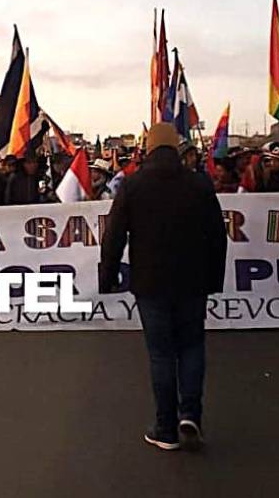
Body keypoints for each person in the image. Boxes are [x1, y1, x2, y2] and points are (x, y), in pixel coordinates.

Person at [99, 124, 227, 452]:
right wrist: (215, 278)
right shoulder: (199, 184)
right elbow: (217, 236)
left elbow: (113, 237)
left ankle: (165, 427)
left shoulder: (133, 185)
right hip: (193, 281)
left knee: (161, 354)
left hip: (150, 281)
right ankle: (191, 414)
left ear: (148, 148)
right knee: (192, 347)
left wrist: (108, 277)